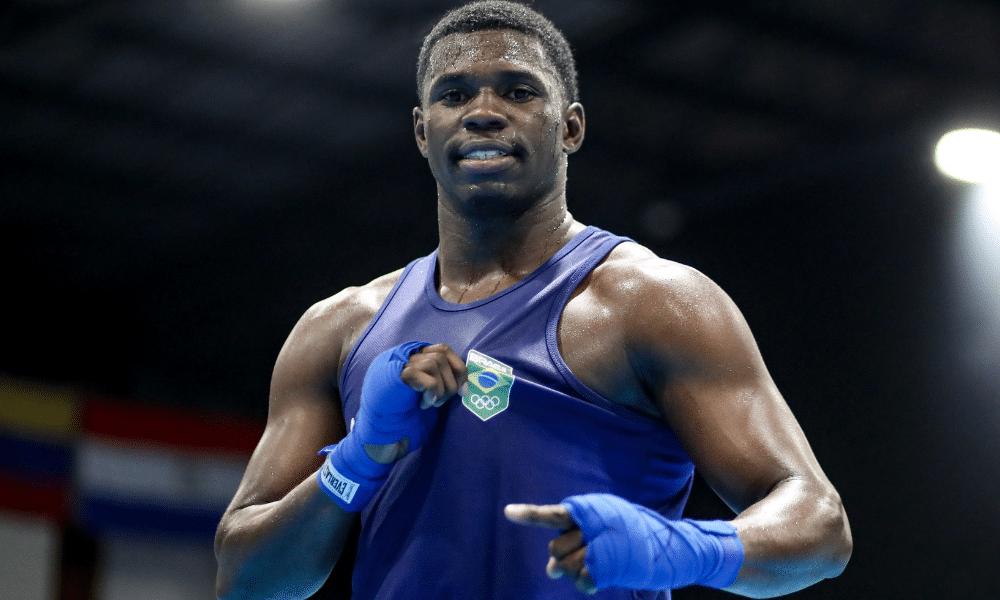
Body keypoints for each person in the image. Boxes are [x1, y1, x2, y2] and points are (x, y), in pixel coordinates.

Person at [214, 2, 852, 599]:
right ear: (421, 131)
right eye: (454, 94)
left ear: (570, 125)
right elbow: (247, 580)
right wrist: (355, 460)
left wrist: (683, 547)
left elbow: (819, 527)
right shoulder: (340, 329)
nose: (484, 111)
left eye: (518, 91)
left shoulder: (650, 303)